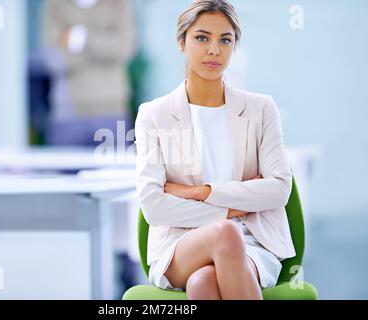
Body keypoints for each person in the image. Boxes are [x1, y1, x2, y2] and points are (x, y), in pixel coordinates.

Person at [135, 0, 295, 300]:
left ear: (235, 46)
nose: (214, 50)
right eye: (202, 37)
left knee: (203, 284)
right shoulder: (153, 114)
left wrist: (203, 191)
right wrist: (232, 210)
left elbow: (279, 190)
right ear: (181, 42)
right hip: (179, 245)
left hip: (252, 244)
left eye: (225, 40)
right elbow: (154, 207)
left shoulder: (260, 109)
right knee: (225, 232)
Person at [41, 0, 135, 146]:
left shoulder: (118, 4)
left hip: (112, 112)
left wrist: (81, 39)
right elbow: (53, 60)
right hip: (67, 114)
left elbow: (124, 49)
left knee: (117, 168)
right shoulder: (55, 5)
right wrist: (105, 49)